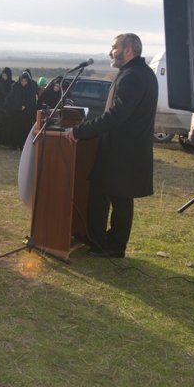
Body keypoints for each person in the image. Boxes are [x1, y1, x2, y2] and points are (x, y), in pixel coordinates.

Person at [64, 33, 158, 258]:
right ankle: (107, 242)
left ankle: (108, 245)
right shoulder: (141, 73)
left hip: (122, 151)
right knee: (119, 198)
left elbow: (116, 115)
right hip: (128, 150)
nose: (110, 52)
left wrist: (79, 131)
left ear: (128, 50)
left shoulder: (132, 76)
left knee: (108, 197)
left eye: (114, 47)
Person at [5, 71, 38, 150]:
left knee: (25, 130)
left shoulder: (31, 88)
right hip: (16, 113)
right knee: (15, 129)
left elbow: (32, 101)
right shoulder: (15, 87)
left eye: (25, 81)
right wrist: (18, 106)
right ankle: (13, 145)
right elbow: (11, 99)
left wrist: (26, 106)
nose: (23, 83)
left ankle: (23, 145)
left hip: (26, 114)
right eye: (22, 81)